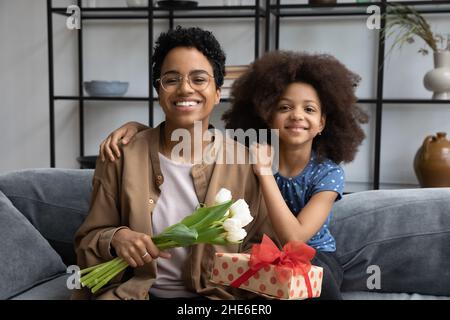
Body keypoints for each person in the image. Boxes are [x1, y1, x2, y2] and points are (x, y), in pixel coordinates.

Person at [99, 51, 368, 300]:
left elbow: (295, 239)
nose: (297, 115)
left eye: (309, 109)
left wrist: (264, 173)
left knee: (314, 279)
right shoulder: (246, 155)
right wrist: (140, 129)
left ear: (322, 122)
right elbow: (186, 139)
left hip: (313, 254)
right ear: (268, 116)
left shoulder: (326, 173)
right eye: (285, 108)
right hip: (269, 253)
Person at [72, 26, 276, 300]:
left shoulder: (244, 162)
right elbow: (87, 242)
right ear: (158, 90)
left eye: (199, 79)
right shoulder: (121, 155)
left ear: (217, 92)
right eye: (171, 79)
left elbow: (265, 249)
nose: (184, 89)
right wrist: (117, 238)